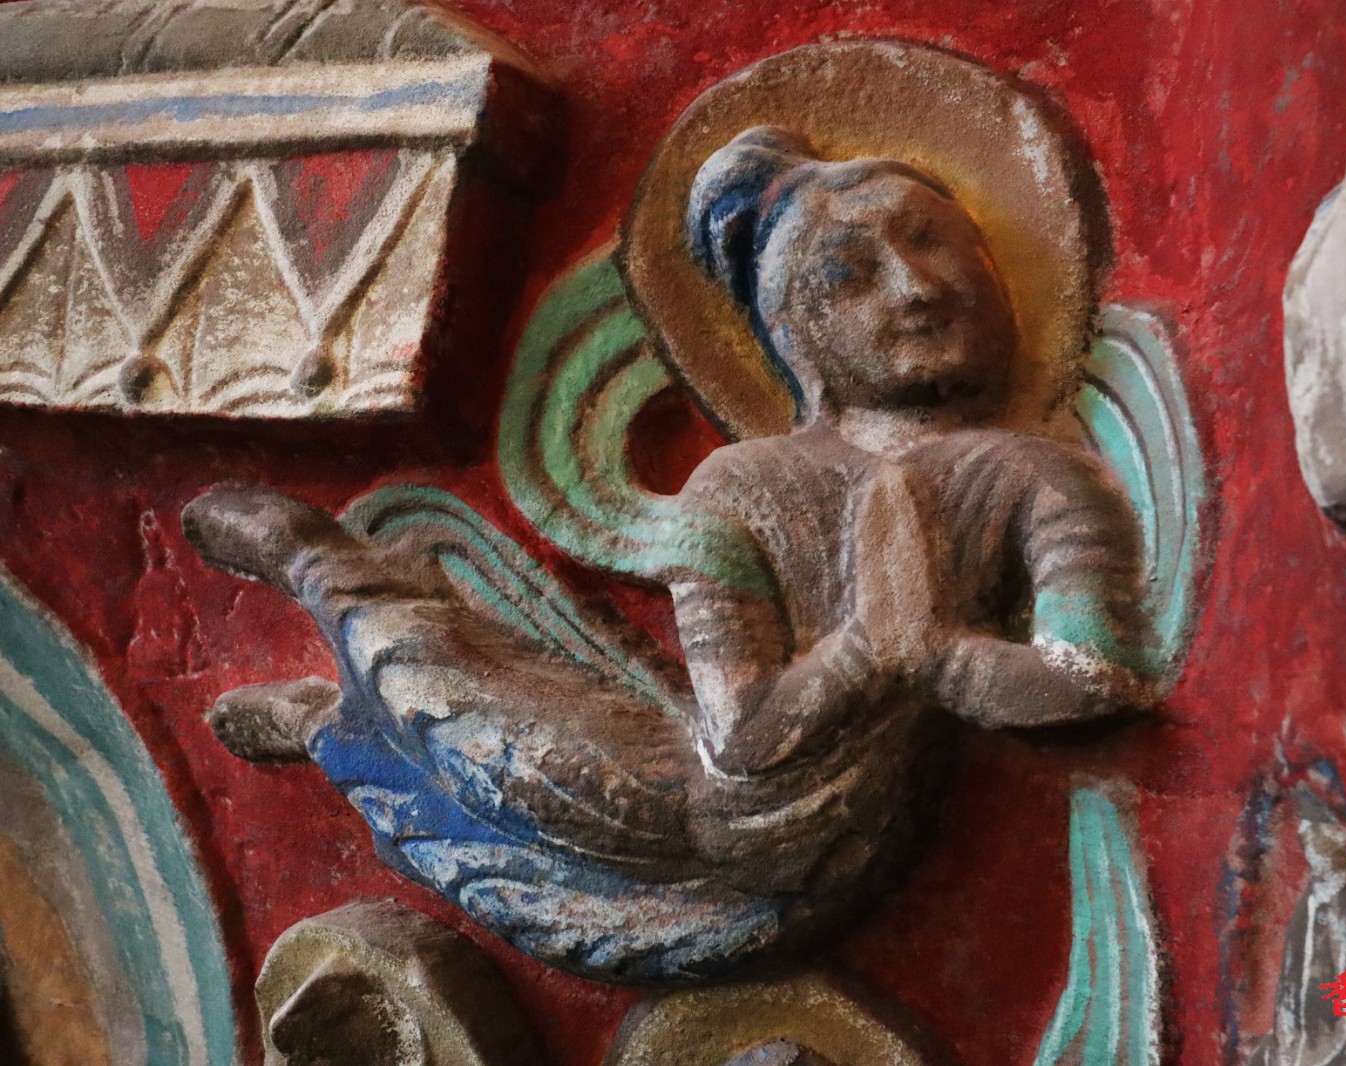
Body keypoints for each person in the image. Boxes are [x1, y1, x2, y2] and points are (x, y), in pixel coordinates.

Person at [182, 126, 1153, 983]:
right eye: (850, 275)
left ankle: (326, 727)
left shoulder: (1038, 478)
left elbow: (1090, 673)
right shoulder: (746, 483)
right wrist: (869, 651)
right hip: (685, 800)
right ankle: (313, 562)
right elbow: (742, 735)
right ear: (797, 337)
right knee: (465, 717)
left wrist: (940, 658)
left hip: (832, 861)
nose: (917, 286)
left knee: (494, 854)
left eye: (933, 238)